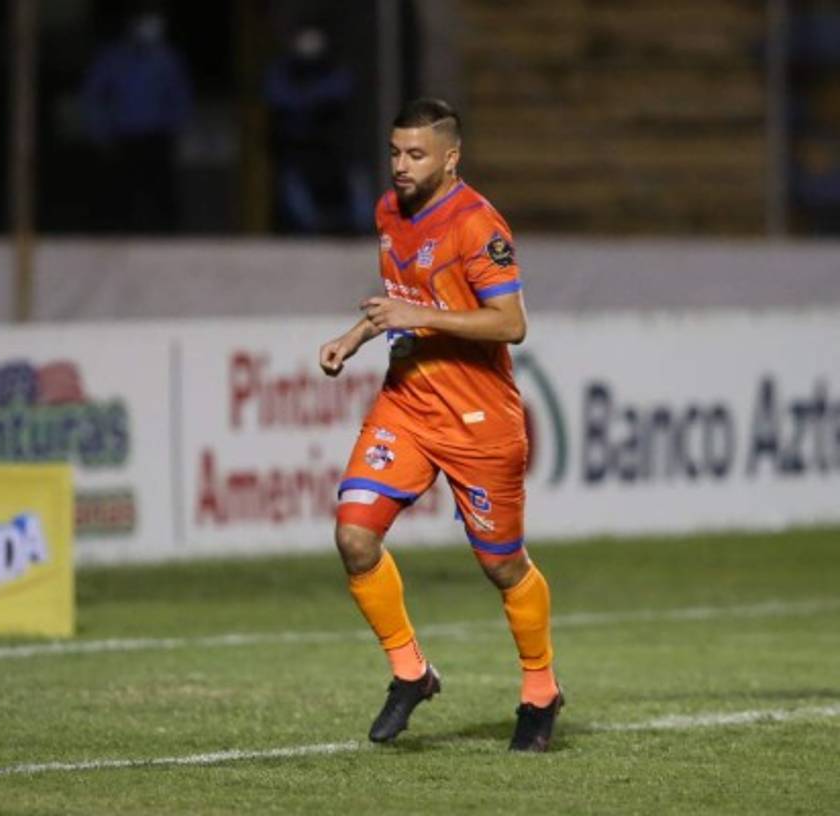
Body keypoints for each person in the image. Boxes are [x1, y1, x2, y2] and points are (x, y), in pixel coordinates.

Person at [318, 98, 561, 751]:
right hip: (408, 403)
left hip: (480, 418)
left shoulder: (477, 226)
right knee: (354, 538)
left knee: (503, 567)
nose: (400, 166)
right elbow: (405, 305)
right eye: (395, 152)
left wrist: (408, 317)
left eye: (416, 154)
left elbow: (511, 324)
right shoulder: (388, 212)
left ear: (450, 158)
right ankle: (411, 672)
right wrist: (355, 335)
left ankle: (540, 691)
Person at [80, 11, 193, 232]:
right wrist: (99, 132)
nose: (149, 27)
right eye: (143, 22)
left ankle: (168, 234)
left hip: (157, 137)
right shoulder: (112, 58)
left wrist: (177, 128)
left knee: (162, 191)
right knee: (121, 193)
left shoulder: (167, 58)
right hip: (122, 136)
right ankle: (119, 237)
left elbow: (180, 96)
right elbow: (93, 96)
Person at [263, 24, 370, 234]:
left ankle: (363, 226)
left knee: (356, 178)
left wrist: (308, 99)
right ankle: (307, 226)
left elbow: (342, 91)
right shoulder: (284, 70)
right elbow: (277, 97)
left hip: (334, 148)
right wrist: (309, 101)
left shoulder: (335, 68)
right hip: (297, 147)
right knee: (291, 182)